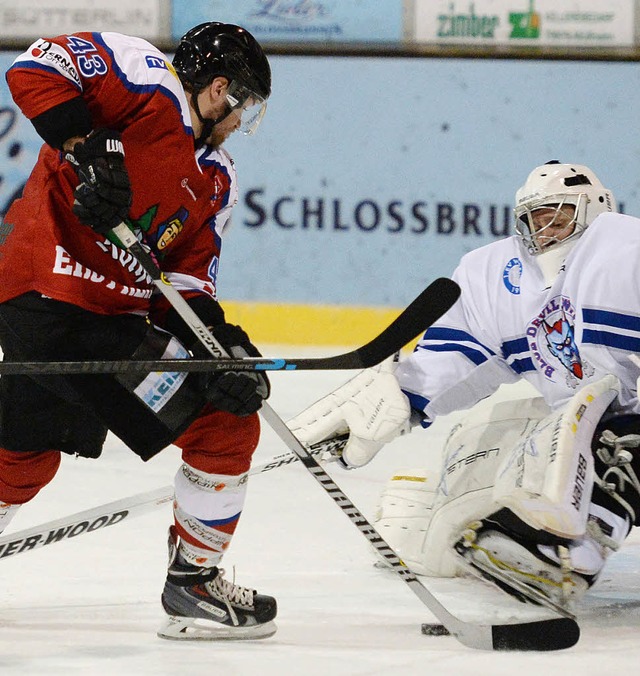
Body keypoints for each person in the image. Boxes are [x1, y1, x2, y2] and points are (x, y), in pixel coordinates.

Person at [0, 23, 277, 640]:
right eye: (244, 106)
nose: (241, 121)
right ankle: (194, 586)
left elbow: (184, 285)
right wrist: (87, 145)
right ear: (219, 90)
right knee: (225, 428)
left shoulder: (216, 178)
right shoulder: (142, 78)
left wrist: (224, 347)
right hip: (52, 303)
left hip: (89, 322)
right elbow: (33, 69)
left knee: (23, 454)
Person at [288, 161, 640, 614]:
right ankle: (512, 530)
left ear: (595, 210)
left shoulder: (626, 250)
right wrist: (399, 398)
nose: (547, 228)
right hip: (595, 429)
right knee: (502, 454)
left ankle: (568, 551)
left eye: (560, 215)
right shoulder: (498, 275)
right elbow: (456, 353)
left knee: (619, 436)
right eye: (537, 217)